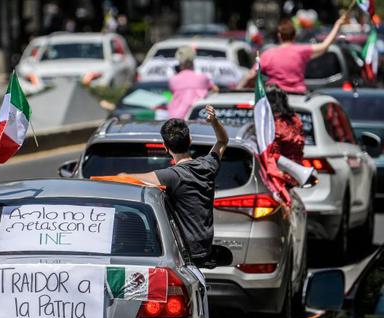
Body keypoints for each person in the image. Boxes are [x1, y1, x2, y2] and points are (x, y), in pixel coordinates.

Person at [120, 105, 228, 263]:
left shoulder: (170, 176)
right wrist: (214, 122)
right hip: (204, 248)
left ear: (165, 147)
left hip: (183, 254)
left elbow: (128, 179)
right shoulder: (208, 166)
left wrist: (122, 175)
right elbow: (222, 140)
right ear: (190, 140)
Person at [239, 15, 346, 94]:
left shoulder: (268, 54)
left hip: (275, 97)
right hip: (298, 95)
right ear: (294, 35)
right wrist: (337, 25)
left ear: (279, 35)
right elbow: (324, 46)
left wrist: (237, 90)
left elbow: (251, 75)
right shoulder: (301, 51)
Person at [265, 84, 305, 187]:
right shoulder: (294, 119)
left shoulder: (274, 123)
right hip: (295, 172)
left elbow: (271, 154)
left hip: (278, 176)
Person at [168, 46, 219, 119]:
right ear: (192, 62)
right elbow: (216, 89)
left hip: (176, 117)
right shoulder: (203, 77)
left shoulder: (173, 80)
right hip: (198, 116)